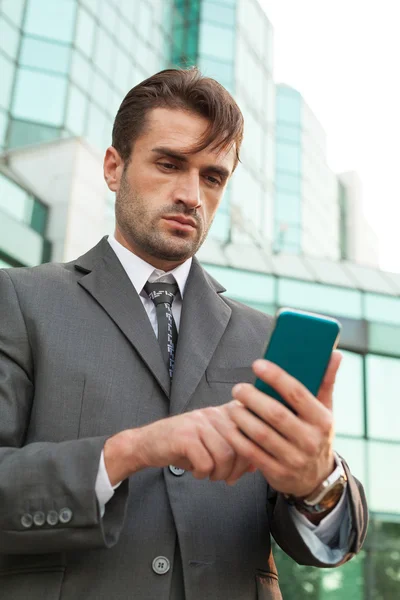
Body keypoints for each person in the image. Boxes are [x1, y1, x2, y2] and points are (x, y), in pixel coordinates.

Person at [0, 68, 367, 600]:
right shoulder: (19, 300)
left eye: (212, 177)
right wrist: (128, 451)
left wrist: (318, 481)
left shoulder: (264, 338)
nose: (192, 194)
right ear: (113, 167)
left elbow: (333, 543)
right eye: (169, 164)